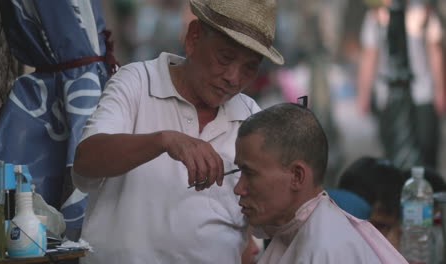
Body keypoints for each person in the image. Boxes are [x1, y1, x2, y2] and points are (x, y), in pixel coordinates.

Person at [72, 0, 284, 263]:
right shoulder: (137, 83)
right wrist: (163, 140)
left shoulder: (251, 116)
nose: (234, 77)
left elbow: (265, 221)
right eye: (225, 58)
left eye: (249, 67)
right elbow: (85, 162)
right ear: (193, 38)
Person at [233, 103, 407, 263]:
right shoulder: (294, 234)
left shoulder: (327, 250)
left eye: (249, 173)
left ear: (297, 176)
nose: (238, 188)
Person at [357, 0, 445, 169]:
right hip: (389, 95)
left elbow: (435, 52)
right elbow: (369, 56)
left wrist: (440, 90)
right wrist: (364, 93)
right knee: (392, 152)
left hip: (422, 94)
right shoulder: (375, 17)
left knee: (426, 150)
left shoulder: (423, 13)